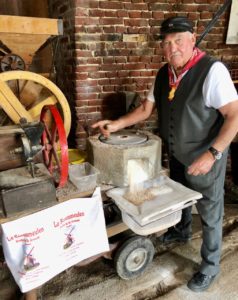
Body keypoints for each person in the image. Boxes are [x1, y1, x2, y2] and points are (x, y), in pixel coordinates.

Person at [92, 16, 238, 292]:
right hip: (179, 154)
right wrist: (117, 124)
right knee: (180, 199)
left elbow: (234, 116)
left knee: (210, 211)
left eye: (178, 41)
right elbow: (146, 109)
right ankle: (180, 231)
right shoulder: (164, 73)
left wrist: (212, 154)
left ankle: (210, 267)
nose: (172, 48)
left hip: (205, 157)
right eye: (166, 43)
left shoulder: (212, 71)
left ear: (192, 39)